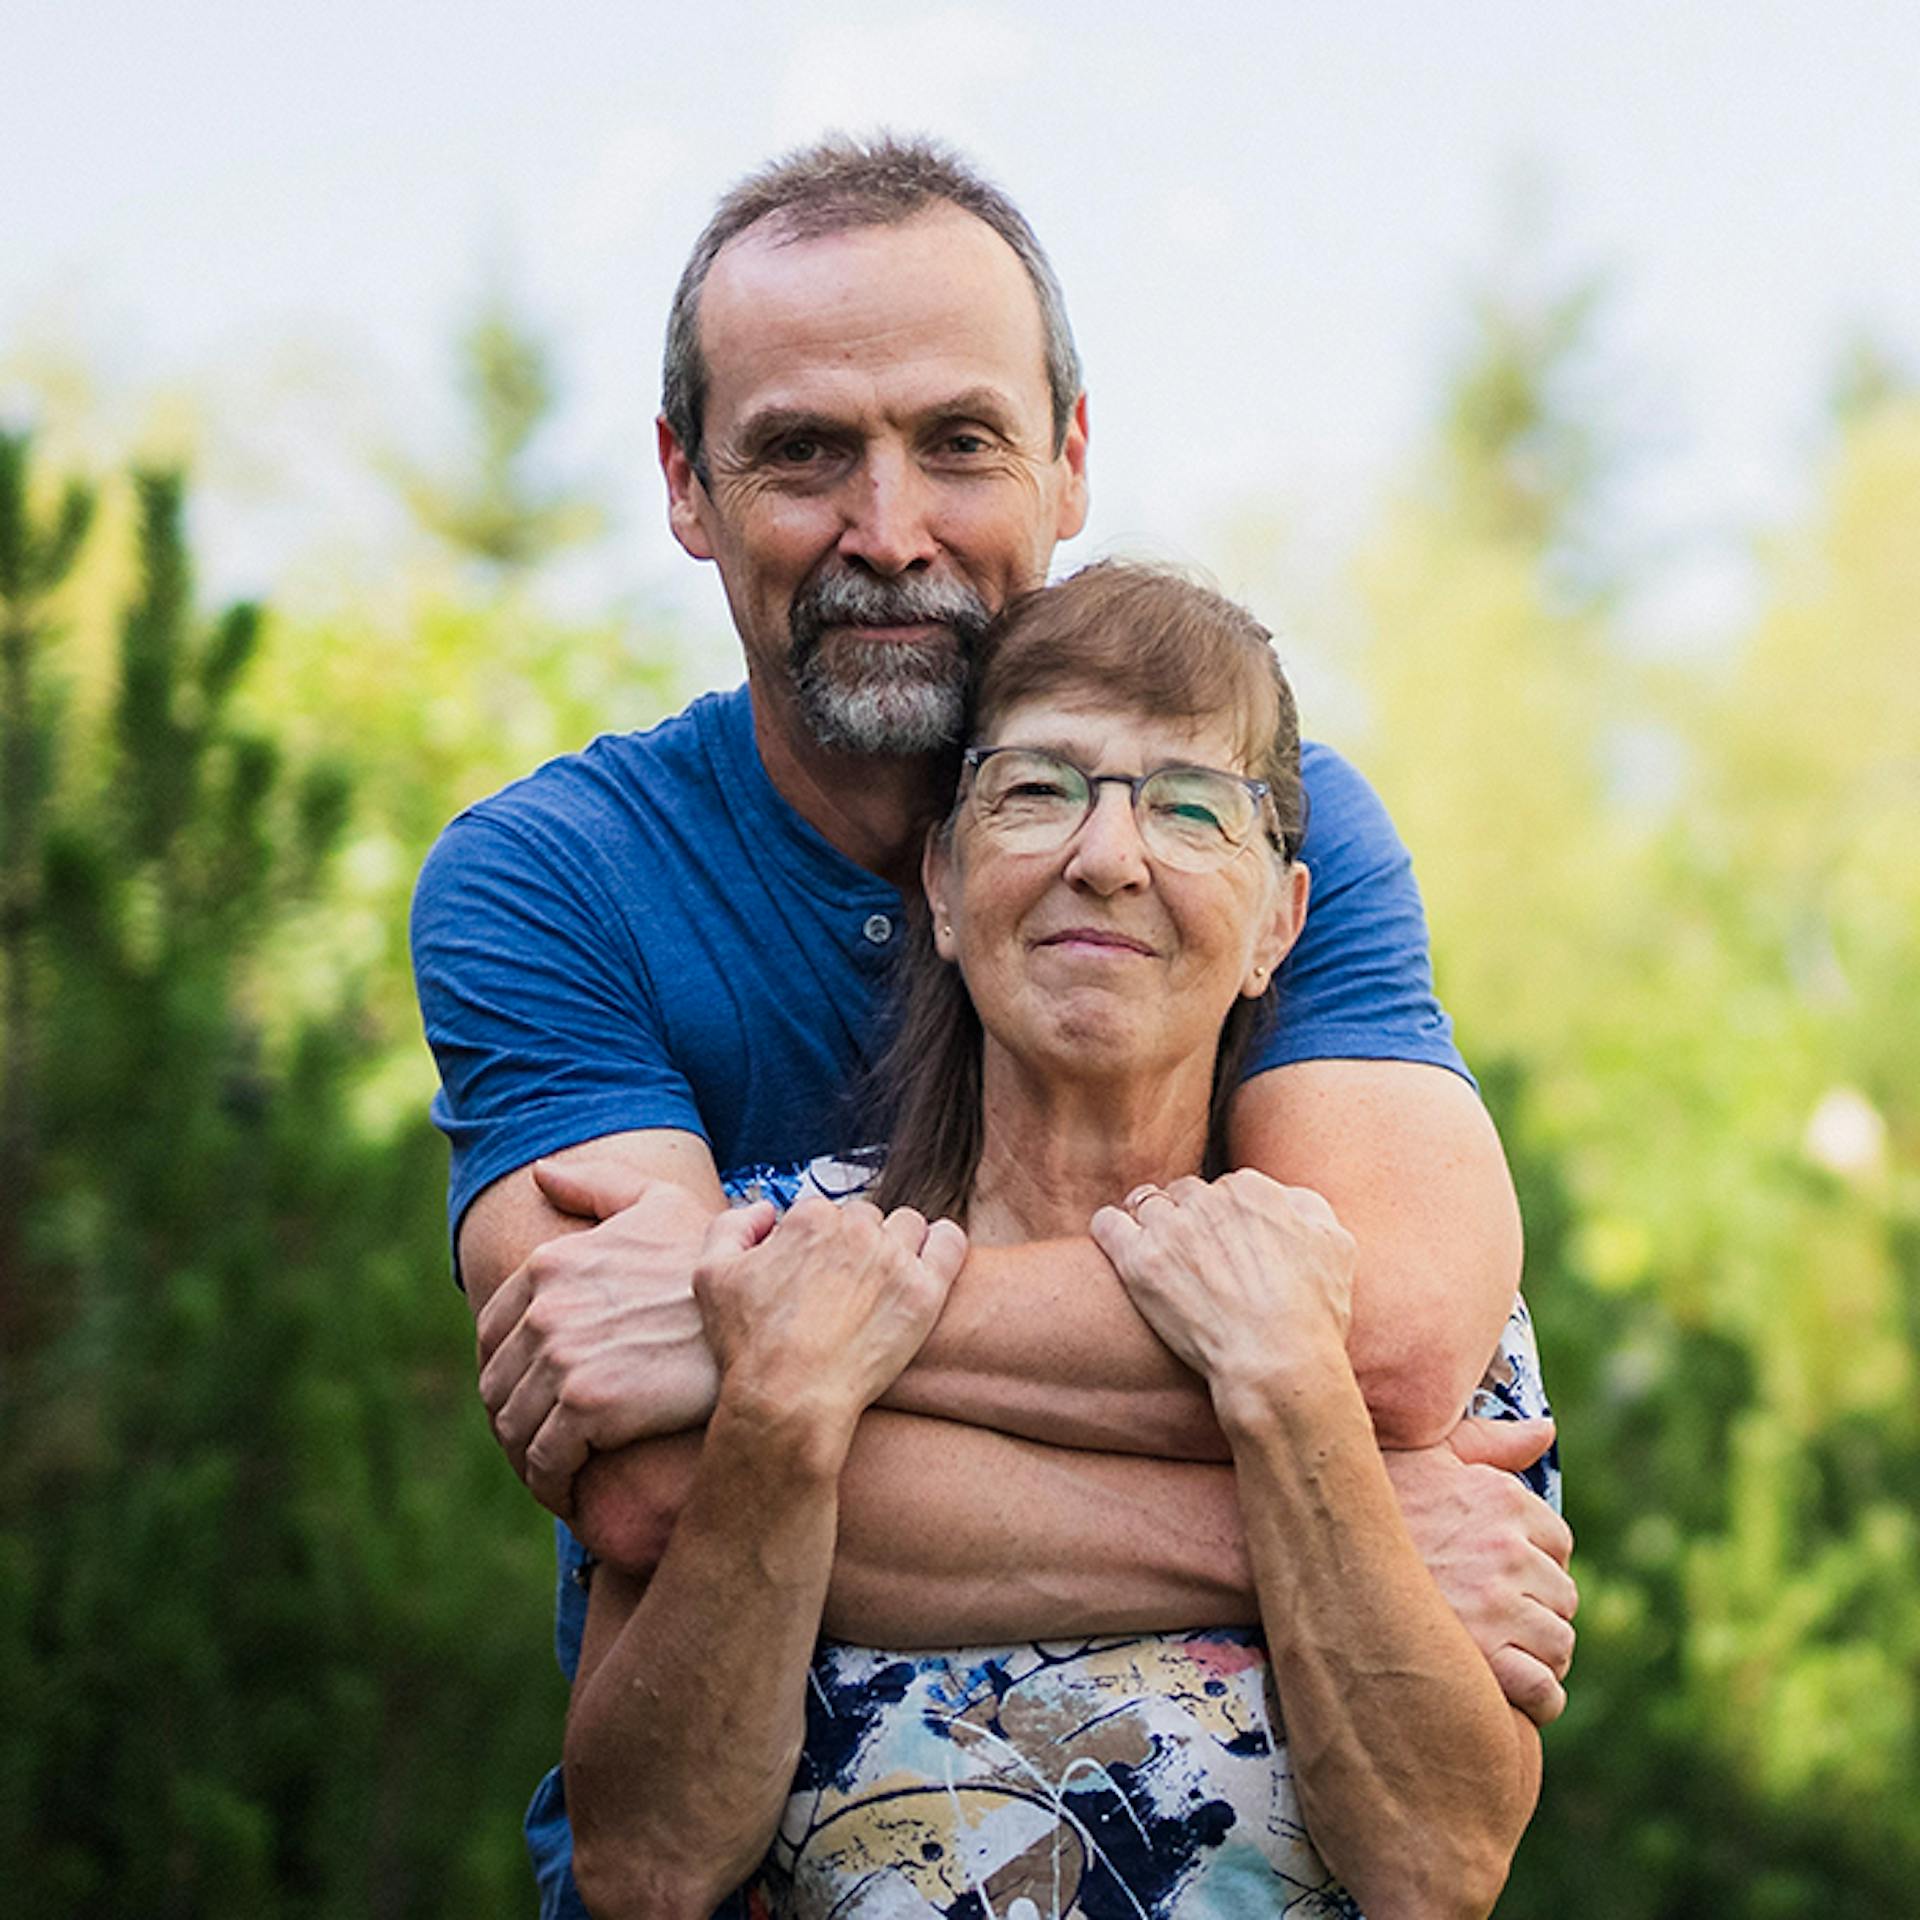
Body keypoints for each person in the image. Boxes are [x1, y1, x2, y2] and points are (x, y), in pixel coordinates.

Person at [409, 134, 1575, 1918]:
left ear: (1071, 457)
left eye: (960, 441)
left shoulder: (1266, 815)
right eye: (804, 453)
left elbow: (1402, 1340)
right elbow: (649, 1487)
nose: (892, 531)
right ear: (687, 484)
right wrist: (1324, 1536)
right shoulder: (553, 878)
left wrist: (749, 1314)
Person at [562, 563, 1541, 1918]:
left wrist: (1293, 1395)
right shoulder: (773, 1254)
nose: (1109, 855)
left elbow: (1438, 1865)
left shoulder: (1356, 1286)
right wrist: (786, 1407)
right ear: (947, 889)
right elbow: (643, 1865)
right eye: (1037, 790)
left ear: (1279, 925)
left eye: (1192, 807)